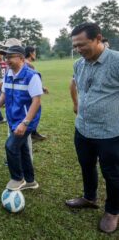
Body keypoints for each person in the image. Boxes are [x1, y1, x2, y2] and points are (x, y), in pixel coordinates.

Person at [65, 23, 119, 233]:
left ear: (98, 38)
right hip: (83, 129)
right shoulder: (79, 64)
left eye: (82, 44)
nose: (78, 49)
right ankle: (89, 197)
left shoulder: (116, 61)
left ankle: (113, 211)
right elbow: (80, 88)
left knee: (112, 174)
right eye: (75, 46)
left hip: (109, 132)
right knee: (86, 165)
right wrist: (78, 104)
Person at [0, 45, 43, 191]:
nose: (7, 60)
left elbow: (36, 101)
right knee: (24, 149)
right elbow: (4, 94)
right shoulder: (8, 74)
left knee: (11, 146)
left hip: (26, 121)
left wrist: (25, 123)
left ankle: (17, 178)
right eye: (6, 57)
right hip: (13, 119)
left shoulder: (32, 76)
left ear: (20, 58)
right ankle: (30, 181)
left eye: (10, 57)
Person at [24, 46, 48, 141]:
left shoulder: (23, 63)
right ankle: (31, 133)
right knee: (34, 112)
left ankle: (32, 133)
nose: (35, 55)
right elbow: (31, 81)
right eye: (35, 52)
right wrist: (41, 88)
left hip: (25, 93)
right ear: (30, 53)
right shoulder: (29, 64)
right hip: (30, 94)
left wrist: (41, 87)